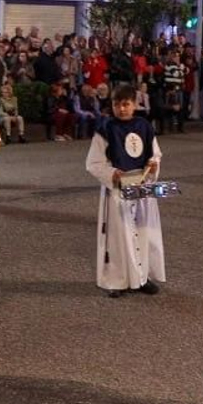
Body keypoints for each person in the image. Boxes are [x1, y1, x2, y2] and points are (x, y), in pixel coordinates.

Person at [85, 83, 165, 299]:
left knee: (143, 233)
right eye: (117, 104)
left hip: (141, 187)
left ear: (134, 104)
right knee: (119, 237)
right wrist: (112, 173)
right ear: (112, 105)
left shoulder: (144, 126)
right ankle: (117, 280)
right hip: (118, 190)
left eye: (126, 104)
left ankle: (141, 277)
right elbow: (93, 163)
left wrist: (153, 165)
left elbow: (155, 154)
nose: (122, 109)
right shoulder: (105, 129)